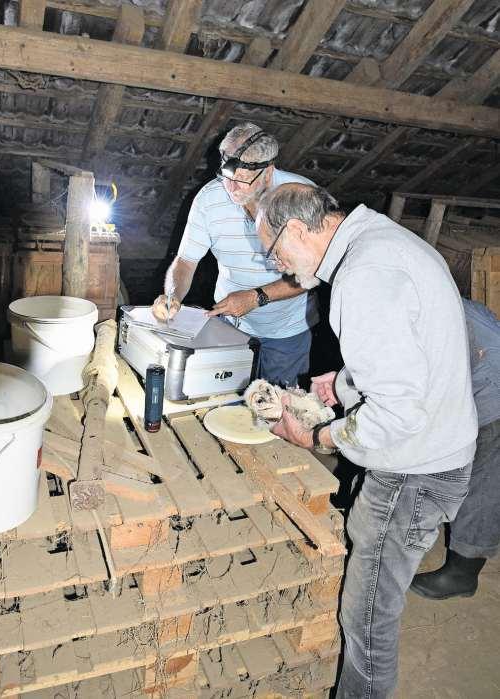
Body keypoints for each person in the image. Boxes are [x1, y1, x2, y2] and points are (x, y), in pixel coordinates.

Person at [255, 183, 478, 699]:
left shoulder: (364, 274)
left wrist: (315, 434)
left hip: (414, 469)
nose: (278, 266)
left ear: (296, 229)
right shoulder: (382, 239)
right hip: (436, 449)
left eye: (274, 252)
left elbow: (397, 412)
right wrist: (346, 383)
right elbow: (412, 355)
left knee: (368, 614)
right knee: (371, 590)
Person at [151, 122, 316, 387]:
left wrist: (256, 297)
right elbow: (186, 261)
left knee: (279, 405)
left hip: (285, 332)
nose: (232, 187)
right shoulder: (209, 199)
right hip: (230, 326)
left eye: (242, 180)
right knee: (225, 400)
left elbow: (314, 273)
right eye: (227, 175)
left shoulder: (303, 197)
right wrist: (173, 296)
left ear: (268, 172)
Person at [411, 297, 500, 599]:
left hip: (493, 394)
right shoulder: (441, 297)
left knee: (485, 489)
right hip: (483, 378)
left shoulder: (427, 312)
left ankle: (462, 574)